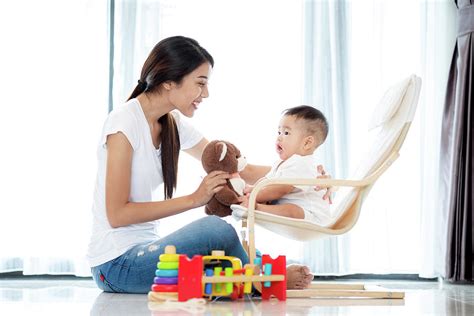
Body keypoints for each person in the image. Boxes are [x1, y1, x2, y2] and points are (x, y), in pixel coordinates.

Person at [87, 36, 326, 294]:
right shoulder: (123, 123)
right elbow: (117, 214)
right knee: (214, 230)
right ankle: (263, 280)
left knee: (218, 260)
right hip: (116, 265)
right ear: (169, 80)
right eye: (200, 83)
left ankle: (259, 273)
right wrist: (195, 198)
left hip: (148, 249)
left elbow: (235, 168)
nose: (206, 93)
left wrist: (301, 172)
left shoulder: (172, 123)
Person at [232, 105, 332, 226]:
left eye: (286, 133)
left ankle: (256, 208)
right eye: (279, 132)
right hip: (299, 212)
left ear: (307, 143)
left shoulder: (301, 163)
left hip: (313, 215)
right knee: (287, 207)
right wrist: (251, 189)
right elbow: (267, 181)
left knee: (292, 210)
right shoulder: (283, 163)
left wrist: (254, 196)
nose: (279, 137)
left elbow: (280, 189)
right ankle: (253, 205)